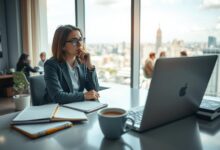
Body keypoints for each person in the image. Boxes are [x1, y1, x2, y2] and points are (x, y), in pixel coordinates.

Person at [44, 25, 100, 104]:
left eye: (80, 39)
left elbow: (95, 90)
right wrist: (84, 96)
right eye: (74, 41)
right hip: (56, 109)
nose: (80, 45)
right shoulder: (51, 65)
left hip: (77, 107)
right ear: (62, 46)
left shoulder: (82, 62)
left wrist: (89, 66)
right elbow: (57, 96)